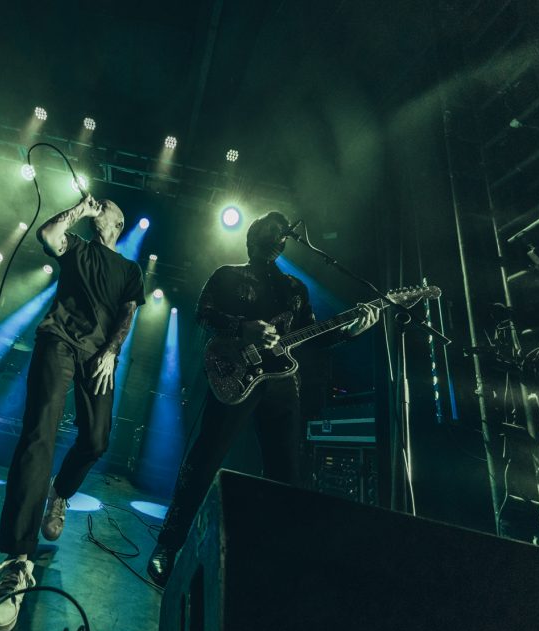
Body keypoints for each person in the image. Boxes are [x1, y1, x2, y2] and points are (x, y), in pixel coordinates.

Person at [146, 211, 379, 586]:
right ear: (253, 238)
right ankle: (168, 545)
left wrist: (349, 331)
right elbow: (201, 312)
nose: (279, 233)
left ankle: (275, 561)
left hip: (283, 384)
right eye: (271, 228)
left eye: (282, 231)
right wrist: (242, 328)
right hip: (235, 372)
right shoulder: (227, 274)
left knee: (285, 474)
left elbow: (312, 336)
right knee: (205, 459)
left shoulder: (296, 289)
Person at [0, 193, 145, 631]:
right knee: (39, 434)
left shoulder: (130, 270)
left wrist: (111, 351)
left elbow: (127, 316)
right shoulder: (78, 245)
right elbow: (48, 235)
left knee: (97, 440)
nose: (98, 204)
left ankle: (60, 493)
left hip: (100, 356)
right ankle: (16, 561)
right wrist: (79, 210)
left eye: (104, 206)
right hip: (59, 340)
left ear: (118, 221)